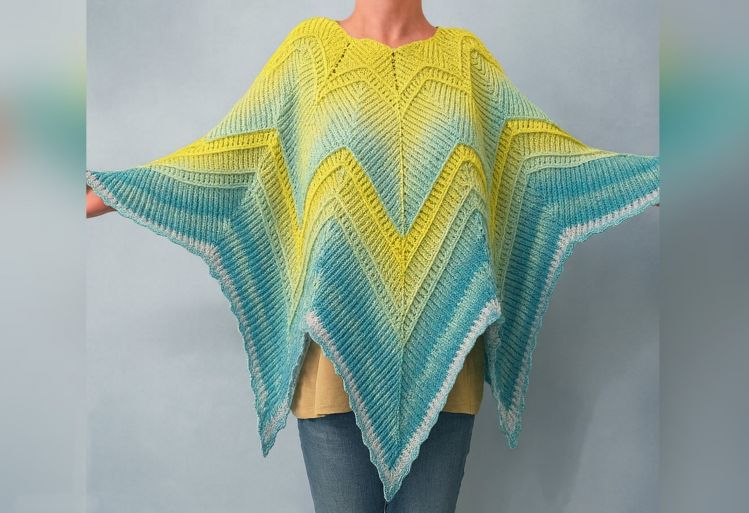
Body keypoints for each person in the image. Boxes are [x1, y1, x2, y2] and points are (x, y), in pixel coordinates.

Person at [87, 1, 659, 511]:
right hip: (332, 350)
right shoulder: (311, 52)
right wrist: (109, 193)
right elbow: (235, 161)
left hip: (447, 349)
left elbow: (540, 167)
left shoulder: (466, 62)